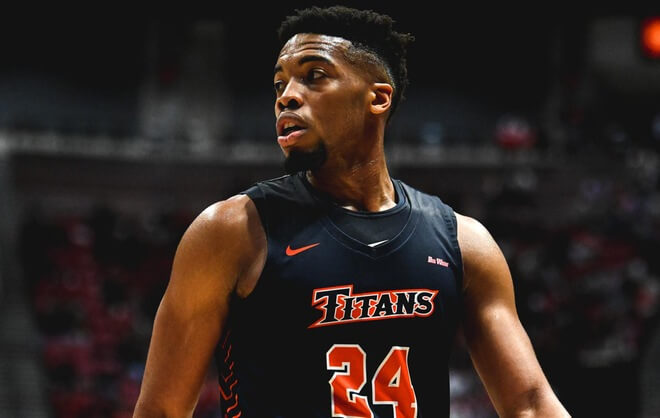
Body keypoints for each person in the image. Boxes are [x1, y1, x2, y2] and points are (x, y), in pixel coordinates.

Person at [134, 6, 570, 417]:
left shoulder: (462, 242)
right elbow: (160, 410)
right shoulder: (231, 231)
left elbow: (530, 403)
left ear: (378, 98)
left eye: (314, 76)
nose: (287, 96)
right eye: (280, 83)